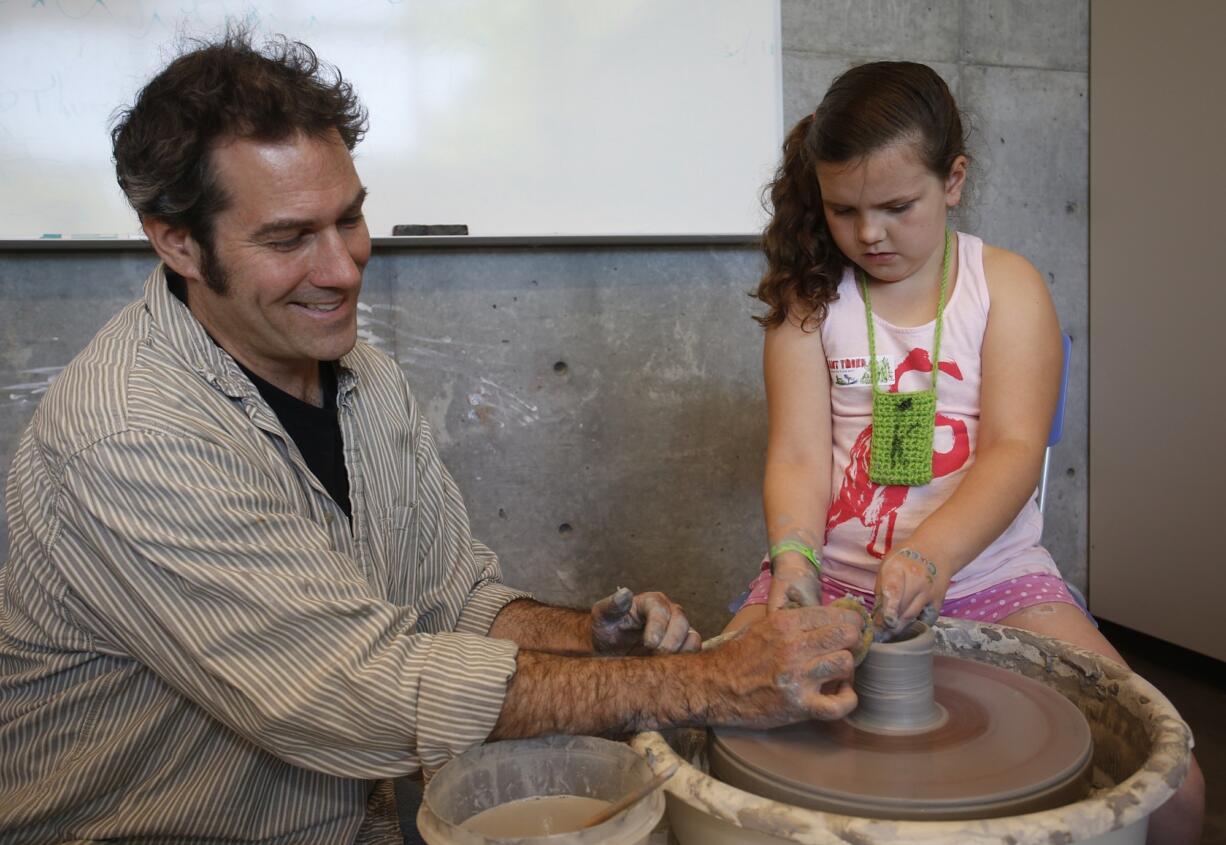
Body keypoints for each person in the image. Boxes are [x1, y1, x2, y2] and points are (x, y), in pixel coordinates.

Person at [0, 32, 866, 843]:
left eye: (348, 218)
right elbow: (358, 692)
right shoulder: (127, 432)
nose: (342, 267)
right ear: (178, 243)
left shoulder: (361, 379)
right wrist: (713, 683)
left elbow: (451, 602)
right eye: (290, 237)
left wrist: (591, 639)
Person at [724, 61, 1203, 843]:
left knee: (1175, 785)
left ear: (953, 180)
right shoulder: (810, 301)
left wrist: (932, 554)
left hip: (993, 576)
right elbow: (801, 459)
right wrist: (793, 563)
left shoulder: (1005, 286)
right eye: (844, 210)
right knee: (716, 739)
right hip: (833, 578)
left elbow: (1014, 448)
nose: (869, 233)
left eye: (896, 206)